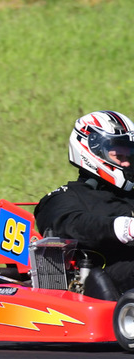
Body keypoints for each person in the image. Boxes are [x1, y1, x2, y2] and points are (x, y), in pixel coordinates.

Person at [34, 110, 134, 296]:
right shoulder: (64, 197)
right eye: (119, 156)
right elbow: (72, 224)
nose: (126, 163)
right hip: (104, 275)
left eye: (129, 156)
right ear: (92, 149)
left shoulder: (130, 194)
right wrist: (122, 227)